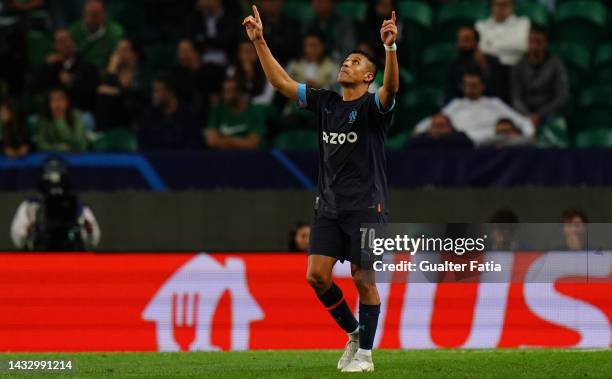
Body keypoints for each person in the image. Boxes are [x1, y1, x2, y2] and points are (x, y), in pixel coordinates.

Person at [243, 5, 399, 371]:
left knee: (363, 278)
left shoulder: (373, 107)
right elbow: (281, 84)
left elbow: (391, 88)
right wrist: (260, 41)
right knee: (316, 276)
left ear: (368, 76)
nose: (347, 64)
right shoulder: (326, 103)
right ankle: (356, 333)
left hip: (366, 206)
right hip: (328, 206)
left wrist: (390, 48)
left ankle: (365, 356)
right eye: (346, 60)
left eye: (356, 62)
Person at [415, 71, 534, 145]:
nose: (471, 89)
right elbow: (432, 121)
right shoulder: (456, 104)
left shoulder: (494, 103)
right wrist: (419, 130)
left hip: (492, 142)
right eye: (467, 85)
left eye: (474, 85)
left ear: (482, 86)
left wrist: (528, 134)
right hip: (462, 145)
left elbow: (523, 122)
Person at [10, 157, 100, 251]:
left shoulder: (78, 205)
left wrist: (87, 229)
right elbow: (18, 240)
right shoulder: (30, 206)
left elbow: (94, 240)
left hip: (71, 255)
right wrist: (28, 230)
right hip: (40, 255)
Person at [511, 26, 569, 128]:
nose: (534, 46)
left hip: (549, 113)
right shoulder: (518, 66)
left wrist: (540, 115)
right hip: (525, 114)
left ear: (545, 43)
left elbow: (562, 96)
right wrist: (528, 116)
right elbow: (516, 97)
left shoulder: (556, 65)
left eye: (539, 42)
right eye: (531, 41)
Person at [31, 28, 100, 111]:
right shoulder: (48, 66)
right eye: (61, 41)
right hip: (52, 113)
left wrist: (72, 82)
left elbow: (93, 91)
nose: (67, 44)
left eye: (69, 40)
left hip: (80, 111)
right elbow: (34, 87)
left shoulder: (86, 65)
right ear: (54, 46)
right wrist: (46, 66)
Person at [139, 76, 203, 151]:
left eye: (158, 90)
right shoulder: (150, 116)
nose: (154, 95)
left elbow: (193, 146)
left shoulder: (189, 116)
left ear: (171, 92)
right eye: (153, 91)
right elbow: (144, 144)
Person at [95, 38, 145, 130]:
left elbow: (139, 96)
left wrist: (118, 92)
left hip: (136, 119)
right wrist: (111, 70)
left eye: (124, 50)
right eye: (118, 50)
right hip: (115, 118)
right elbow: (103, 91)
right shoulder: (115, 72)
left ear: (135, 54)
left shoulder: (143, 73)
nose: (119, 53)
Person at [446, 26, 508, 102]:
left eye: (466, 40)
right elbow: (450, 96)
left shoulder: (493, 63)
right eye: (459, 40)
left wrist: (485, 69)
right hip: (463, 109)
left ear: (476, 42)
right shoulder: (453, 67)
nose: (462, 44)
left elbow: (499, 93)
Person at [204, 78, 266, 150]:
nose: (226, 94)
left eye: (230, 90)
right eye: (224, 90)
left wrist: (226, 141)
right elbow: (211, 141)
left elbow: (253, 144)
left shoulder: (254, 111)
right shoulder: (217, 111)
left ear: (240, 92)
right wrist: (239, 141)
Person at [171, 39, 225, 113]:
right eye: (180, 51)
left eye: (184, 51)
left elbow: (217, 99)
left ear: (195, 52)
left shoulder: (212, 71)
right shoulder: (177, 75)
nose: (180, 55)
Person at [69, 0, 124, 71]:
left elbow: (116, 58)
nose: (89, 19)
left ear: (104, 15)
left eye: (94, 15)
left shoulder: (115, 32)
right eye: (87, 14)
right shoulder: (74, 31)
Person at [185, 0, 240, 66]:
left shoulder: (229, 16)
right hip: (201, 62)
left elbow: (227, 40)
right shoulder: (197, 17)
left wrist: (205, 40)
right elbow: (193, 39)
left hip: (226, 61)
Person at [475, 0, 530, 65]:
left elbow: (523, 47)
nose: (500, 8)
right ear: (491, 6)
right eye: (497, 4)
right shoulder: (480, 25)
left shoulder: (524, 23)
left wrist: (490, 46)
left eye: (505, 4)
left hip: (516, 66)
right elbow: (479, 50)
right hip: (489, 68)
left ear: (513, 6)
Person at [34, 87, 88, 152]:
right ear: (48, 103)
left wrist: (60, 120)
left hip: (76, 156)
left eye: (60, 99)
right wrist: (59, 148)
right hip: (52, 156)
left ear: (67, 102)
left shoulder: (76, 116)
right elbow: (41, 144)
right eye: (53, 100)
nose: (57, 104)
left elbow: (79, 143)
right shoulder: (44, 119)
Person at [227, 40, 275, 104]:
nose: (248, 55)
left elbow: (268, 97)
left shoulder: (267, 71)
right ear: (239, 54)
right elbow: (229, 94)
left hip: (258, 107)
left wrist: (249, 103)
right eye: (246, 51)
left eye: (251, 51)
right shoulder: (232, 71)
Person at [259, 0, 300, 65]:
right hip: (260, 66)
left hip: (288, 66)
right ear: (261, 3)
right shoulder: (254, 25)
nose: (271, 4)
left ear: (281, 2)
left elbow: (295, 53)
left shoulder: (292, 26)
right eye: (267, 1)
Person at [406, 113, 473, 149]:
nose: (437, 129)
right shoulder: (422, 137)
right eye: (434, 125)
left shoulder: (459, 137)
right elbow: (409, 144)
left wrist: (440, 137)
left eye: (440, 126)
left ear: (449, 127)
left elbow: (468, 144)